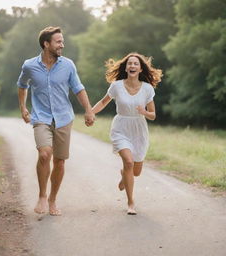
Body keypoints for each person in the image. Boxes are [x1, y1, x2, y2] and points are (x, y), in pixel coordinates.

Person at [17, 26, 95, 216]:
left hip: (63, 118)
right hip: (41, 117)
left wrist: (88, 110)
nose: (62, 44)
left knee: (59, 162)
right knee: (45, 154)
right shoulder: (29, 65)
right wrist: (23, 107)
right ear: (46, 44)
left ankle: (52, 199)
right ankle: (42, 195)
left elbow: (78, 88)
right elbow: (22, 85)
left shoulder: (68, 65)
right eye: (58, 41)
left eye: (62, 41)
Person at [92, 52, 162, 215]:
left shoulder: (147, 89)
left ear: (140, 69)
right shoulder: (116, 86)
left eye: (135, 64)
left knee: (135, 171)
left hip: (139, 129)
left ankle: (125, 175)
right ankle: (131, 203)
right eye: (129, 63)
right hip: (121, 127)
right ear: (126, 67)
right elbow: (103, 102)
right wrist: (91, 113)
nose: (132, 66)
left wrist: (144, 112)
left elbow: (153, 115)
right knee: (129, 162)